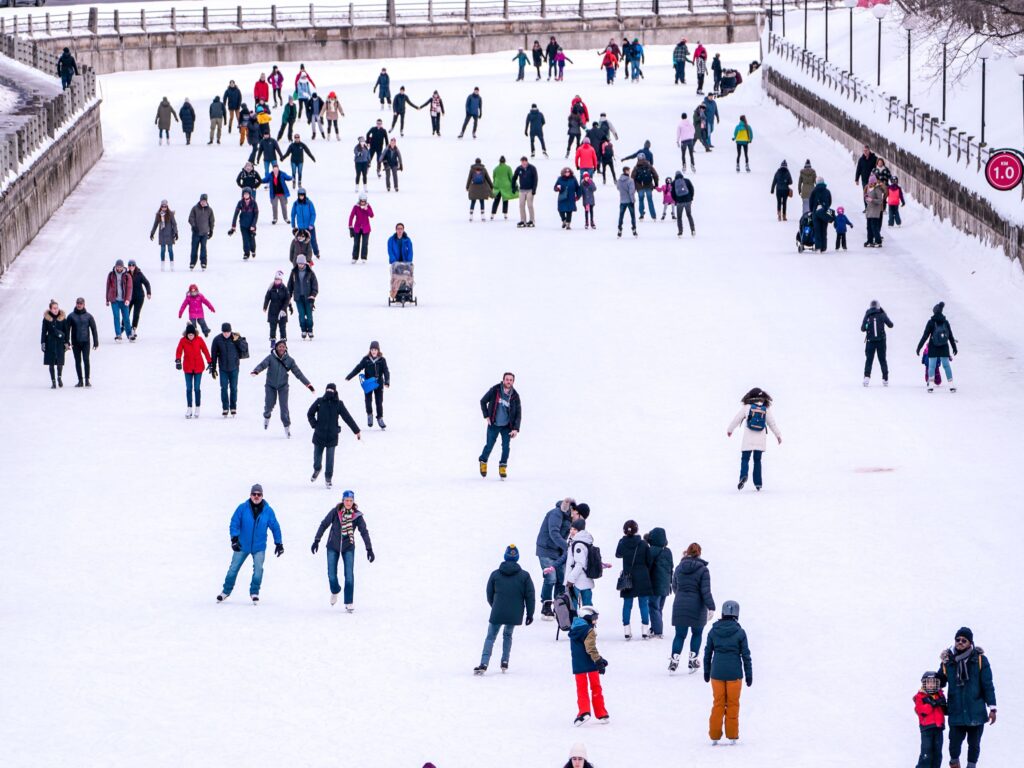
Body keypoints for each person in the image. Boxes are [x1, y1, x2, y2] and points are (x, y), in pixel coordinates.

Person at [937, 627, 997, 768]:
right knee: (954, 745)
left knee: (974, 745)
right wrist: (930, 683)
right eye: (958, 639)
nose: (960, 642)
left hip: (975, 711)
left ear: (970, 642)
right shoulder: (948, 661)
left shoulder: (980, 660)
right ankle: (954, 763)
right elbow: (940, 682)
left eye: (964, 640)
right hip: (956, 711)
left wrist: (992, 708)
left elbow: (987, 684)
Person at [474, 544, 536, 675]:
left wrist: (495, 605)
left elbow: (489, 594)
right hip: (514, 613)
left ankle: (484, 663)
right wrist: (530, 614)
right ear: (517, 558)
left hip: (498, 611)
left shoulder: (495, 574)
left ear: (505, 556)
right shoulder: (524, 576)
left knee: (490, 637)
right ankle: (505, 662)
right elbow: (530, 596)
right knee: (508, 635)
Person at [216, 484, 282, 605]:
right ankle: (225, 591)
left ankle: (254, 592)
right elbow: (234, 522)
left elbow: (275, 527)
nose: (256, 496)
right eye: (254, 494)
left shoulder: (268, 511)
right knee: (233, 568)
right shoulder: (242, 508)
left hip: (259, 547)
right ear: (250, 495)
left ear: (262, 496)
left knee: (258, 570)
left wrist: (279, 543)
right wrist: (234, 539)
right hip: (242, 545)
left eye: (259, 494)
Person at [310, 490, 374, 611]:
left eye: (350, 500)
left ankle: (349, 602)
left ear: (353, 501)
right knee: (331, 574)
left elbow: (364, 532)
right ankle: (335, 590)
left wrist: (369, 549)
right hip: (332, 546)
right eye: (346, 500)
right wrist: (316, 540)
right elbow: (324, 524)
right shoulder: (335, 512)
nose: (348, 503)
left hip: (348, 547)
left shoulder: (357, 516)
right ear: (343, 500)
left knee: (349, 575)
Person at [703, 600, 753, 744]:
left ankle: (714, 735)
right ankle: (732, 735)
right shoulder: (740, 632)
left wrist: (707, 671)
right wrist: (749, 675)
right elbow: (746, 655)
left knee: (718, 703)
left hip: (716, 674)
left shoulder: (713, 631)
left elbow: (708, 653)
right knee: (732, 704)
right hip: (734, 675)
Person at [252, 340, 314, 436]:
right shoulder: (271, 358)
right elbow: (263, 364)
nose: (281, 348)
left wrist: (308, 384)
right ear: (276, 348)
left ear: (285, 348)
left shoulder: (290, 360)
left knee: (284, 408)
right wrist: (256, 371)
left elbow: (298, 374)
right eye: (280, 347)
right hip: (270, 386)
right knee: (269, 406)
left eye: (283, 347)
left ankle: (287, 427)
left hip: (283, 387)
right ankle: (267, 417)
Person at [668, 542, 715, 671]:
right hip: (697, 606)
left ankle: (674, 661)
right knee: (697, 633)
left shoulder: (679, 568)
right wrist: (711, 607)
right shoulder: (703, 570)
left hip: (679, 605)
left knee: (679, 635)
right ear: (699, 553)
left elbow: (675, 587)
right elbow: (705, 591)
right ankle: (692, 661)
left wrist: (682, 597)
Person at [726, 387, 782, 491]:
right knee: (757, 460)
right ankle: (758, 484)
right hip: (760, 440)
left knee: (745, 459)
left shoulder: (747, 407)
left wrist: (730, 430)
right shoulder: (766, 408)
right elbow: (772, 424)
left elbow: (736, 419)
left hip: (748, 439)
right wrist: (778, 435)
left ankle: (743, 476)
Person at [306, 383, 361, 488]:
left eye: (332, 390)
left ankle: (328, 478)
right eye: (328, 390)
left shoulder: (339, 404)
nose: (330, 392)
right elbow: (310, 413)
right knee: (317, 459)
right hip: (319, 436)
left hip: (332, 436)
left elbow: (347, 418)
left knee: (330, 460)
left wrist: (356, 431)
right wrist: (315, 425)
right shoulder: (319, 402)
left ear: (335, 392)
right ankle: (317, 469)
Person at [569, 606, 609, 726]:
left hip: (578, 665)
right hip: (591, 664)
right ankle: (601, 713)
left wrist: (601, 659)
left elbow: (583, 648)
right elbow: (590, 648)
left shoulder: (574, 628)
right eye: (594, 618)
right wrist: (598, 661)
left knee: (581, 689)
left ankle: (584, 712)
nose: (595, 621)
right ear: (586, 618)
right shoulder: (588, 630)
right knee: (596, 687)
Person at [536, 498, 575, 616]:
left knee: (560, 579)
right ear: (570, 507)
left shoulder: (570, 518)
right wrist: (567, 547)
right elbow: (554, 533)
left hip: (558, 552)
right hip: (546, 550)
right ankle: (546, 605)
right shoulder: (556, 513)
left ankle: (559, 606)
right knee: (551, 578)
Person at [615, 520, 653, 640]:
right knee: (643, 605)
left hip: (628, 577)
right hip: (642, 577)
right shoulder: (643, 544)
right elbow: (649, 560)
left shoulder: (622, 543)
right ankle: (645, 631)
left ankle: (627, 631)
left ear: (624, 531)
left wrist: (622, 540)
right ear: (637, 530)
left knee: (627, 605)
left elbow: (618, 554)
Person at [478, 372, 520, 479]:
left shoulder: (515, 395)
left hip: (507, 426)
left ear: (513, 381)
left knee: (506, 447)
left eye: (511, 380)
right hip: (494, 424)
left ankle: (503, 466)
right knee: (489, 446)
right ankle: (483, 461)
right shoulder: (495, 390)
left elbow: (518, 414)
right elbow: (483, 401)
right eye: (507, 379)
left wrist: (515, 429)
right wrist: (486, 416)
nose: (509, 381)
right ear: (503, 380)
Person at [345, 340, 390, 429]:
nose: (373, 351)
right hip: (368, 384)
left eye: (375, 349)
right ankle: (369, 415)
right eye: (372, 349)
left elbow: (386, 371)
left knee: (379, 402)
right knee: (368, 401)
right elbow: (358, 368)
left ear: (378, 350)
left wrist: (387, 381)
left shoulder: (382, 360)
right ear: (370, 350)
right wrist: (349, 376)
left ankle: (380, 418)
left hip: (378, 384)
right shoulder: (366, 359)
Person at [916, 302, 958, 393]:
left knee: (932, 366)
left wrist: (919, 347)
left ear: (934, 312)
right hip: (944, 347)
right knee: (946, 365)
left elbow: (925, 336)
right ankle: (951, 385)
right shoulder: (945, 322)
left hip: (933, 347)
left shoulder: (931, 322)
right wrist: (954, 347)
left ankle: (930, 385)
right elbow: (950, 336)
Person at [175, 324, 211, 419]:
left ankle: (197, 407)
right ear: (186, 334)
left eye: (192, 335)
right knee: (189, 388)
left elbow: (205, 350)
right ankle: (189, 407)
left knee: (197, 388)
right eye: (189, 335)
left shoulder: (199, 340)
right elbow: (179, 350)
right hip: (188, 367)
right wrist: (178, 360)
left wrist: (210, 362)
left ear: (195, 334)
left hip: (198, 367)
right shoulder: (183, 341)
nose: (191, 336)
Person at [915, 672, 947, 768]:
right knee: (926, 753)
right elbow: (921, 711)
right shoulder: (920, 696)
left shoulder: (940, 695)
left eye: (933, 682)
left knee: (937, 753)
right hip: (927, 729)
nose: (931, 685)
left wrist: (943, 703)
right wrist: (933, 703)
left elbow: (945, 710)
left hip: (938, 728)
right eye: (929, 682)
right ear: (924, 683)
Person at [210, 322, 241, 417]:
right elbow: (214, 355)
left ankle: (233, 407)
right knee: (223, 388)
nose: (226, 334)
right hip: (223, 368)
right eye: (224, 332)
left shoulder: (235, 337)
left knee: (234, 388)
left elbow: (243, 350)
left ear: (231, 331)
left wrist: (238, 341)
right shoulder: (217, 339)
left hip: (234, 368)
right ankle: (225, 408)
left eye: (228, 332)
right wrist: (213, 368)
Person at [564, 517, 597, 608]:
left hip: (577, 581)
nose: (571, 531)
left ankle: (575, 621)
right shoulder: (585, 542)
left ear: (580, 531)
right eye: (571, 529)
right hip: (586, 579)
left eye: (574, 529)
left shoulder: (578, 544)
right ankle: (589, 621)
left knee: (573, 606)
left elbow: (580, 564)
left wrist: (570, 579)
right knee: (587, 605)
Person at [646, 528, 672, 640]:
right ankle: (655, 628)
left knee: (653, 607)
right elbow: (671, 566)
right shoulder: (668, 551)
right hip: (666, 585)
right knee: (659, 608)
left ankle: (657, 631)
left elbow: (648, 566)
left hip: (655, 584)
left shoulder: (652, 550)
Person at [66, 297, 98, 388]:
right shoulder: (71, 316)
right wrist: (67, 342)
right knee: (77, 361)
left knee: (86, 360)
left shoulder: (89, 316)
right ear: (76, 304)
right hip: (75, 342)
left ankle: (87, 380)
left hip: (86, 342)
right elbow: (67, 330)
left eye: (81, 304)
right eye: (78, 303)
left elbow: (94, 329)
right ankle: (80, 380)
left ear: (84, 304)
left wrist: (96, 341)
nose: (79, 305)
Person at [861, 299, 893, 387]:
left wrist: (867, 325)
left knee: (869, 360)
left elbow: (862, 328)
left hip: (870, 341)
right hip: (881, 341)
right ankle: (885, 378)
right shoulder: (882, 314)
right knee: (882, 359)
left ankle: (866, 378)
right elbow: (891, 325)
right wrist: (884, 314)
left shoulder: (868, 314)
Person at [287, 255, 319, 340]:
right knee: (301, 315)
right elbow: (290, 286)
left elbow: (315, 285)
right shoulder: (294, 272)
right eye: (299, 263)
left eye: (302, 263)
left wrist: (313, 295)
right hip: (298, 298)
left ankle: (310, 329)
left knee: (309, 315)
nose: (300, 265)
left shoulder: (310, 272)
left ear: (305, 263)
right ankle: (303, 330)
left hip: (308, 298)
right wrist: (288, 297)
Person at [41, 300, 69, 389]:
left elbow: (66, 331)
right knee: (51, 363)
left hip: (60, 342)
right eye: (54, 308)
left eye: (57, 308)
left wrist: (67, 342)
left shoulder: (63, 318)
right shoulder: (46, 319)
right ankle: (53, 381)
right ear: (50, 309)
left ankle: (59, 378)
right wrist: (43, 342)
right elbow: (43, 332)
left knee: (60, 362)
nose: (56, 310)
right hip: (50, 342)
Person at [104, 259, 133, 341]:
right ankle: (118, 334)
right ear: (115, 266)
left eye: (120, 267)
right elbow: (108, 287)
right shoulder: (111, 275)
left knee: (126, 318)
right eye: (117, 266)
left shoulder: (127, 275)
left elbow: (129, 288)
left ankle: (129, 334)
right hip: (114, 301)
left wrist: (127, 299)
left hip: (124, 301)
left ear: (123, 267)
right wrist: (107, 299)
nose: (119, 268)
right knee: (116, 317)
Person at [228, 187, 259, 261]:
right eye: (244, 194)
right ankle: (246, 253)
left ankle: (253, 250)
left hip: (251, 224)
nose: (245, 195)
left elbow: (256, 214)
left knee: (251, 239)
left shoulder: (254, 203)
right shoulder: (240, 203)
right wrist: (233, 226)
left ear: (250, 194)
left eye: (247, 194)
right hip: (243, 224)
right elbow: (235, 214)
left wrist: (253, 225)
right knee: (245, 239)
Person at [289, 187, 319, 258]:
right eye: (300, 195)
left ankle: (316, 252)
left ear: (305, 195)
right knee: (301, 242)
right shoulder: (296, 204)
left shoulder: (309, 203)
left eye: (302, 195)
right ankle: (303, 254)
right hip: (301, 227)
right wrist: (293, 224)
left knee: (313, 240)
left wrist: (311, 224)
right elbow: (293, 214)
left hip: (309, 227)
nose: (301, 196)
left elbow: (313, 214)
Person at [187, 193, 215, 271]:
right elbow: (190, 218)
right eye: (202, 201)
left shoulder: (209, 210)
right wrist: (194, 226)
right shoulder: (195, 208)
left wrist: (211, 230)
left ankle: (203, 263)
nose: (203, 202)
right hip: (196, 233)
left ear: (206, 201)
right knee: (194, 248)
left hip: (204, 233)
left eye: (204, 201)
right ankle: (192, 263)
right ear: (200, 200)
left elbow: (212, 221)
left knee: (203, 248)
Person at [264, 271, 292, 346]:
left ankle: (283, 341)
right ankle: (273, 341)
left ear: (281, 280)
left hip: (282, 311)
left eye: (278, 279)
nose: (277, 280)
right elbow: (267, 298)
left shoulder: (284, 289)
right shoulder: (271, 288)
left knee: (282, 327)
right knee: (272, 327)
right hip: (272, 311)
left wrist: (285, 308)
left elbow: (287, 299)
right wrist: (265, 306)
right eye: (276, 279)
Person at [125, 260, 151, 341]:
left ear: (135, 266)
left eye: (133, 265)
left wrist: (148, 293)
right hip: (129, 297)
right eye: (130, 265)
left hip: (139, 297)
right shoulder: (126, 274)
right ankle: (124, 326)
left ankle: (133, 329)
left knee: (136, 313)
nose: (131, 266)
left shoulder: (139, 274)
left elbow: (147, 283)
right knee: (127, 312)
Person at [150, 200, 178, 269]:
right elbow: (155, 224)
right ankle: (162, 264)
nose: (164, 207)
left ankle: (172, 264)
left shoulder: (170, 214)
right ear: (161, 207)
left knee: (170, 250)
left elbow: (174, 224)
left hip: (169, 235)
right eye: (163, 206)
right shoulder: (158, 214)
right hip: (162, 235)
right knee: (162, 250)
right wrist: (152, 233)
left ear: (167, 206)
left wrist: (176, 232)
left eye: (165, 206)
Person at [512, 156, 538, 228]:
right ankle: (523, 220)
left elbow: (535, 179)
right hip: (522, 190)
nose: (523, 163)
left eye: (524, 162)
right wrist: (513, 187)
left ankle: (531, 220)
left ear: (527, 161)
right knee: (521, 205)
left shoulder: (532, 168)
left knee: (530, 205)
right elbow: (514, 178)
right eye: (522, 162)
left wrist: (534, 189)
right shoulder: (519, 168)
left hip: (530, 190)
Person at [490, 155, 517, 220]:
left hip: (498, 186)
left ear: (499, 161)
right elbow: (511, 177)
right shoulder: (508, 168)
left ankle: (492, 214)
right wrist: (515, 185)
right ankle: (505, 214)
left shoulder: (496, 168)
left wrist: (494, 184)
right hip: (506, 186)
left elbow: (494, 177)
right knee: (505, 200)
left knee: (496, 201)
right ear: (505, 161)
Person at [348, 193, 374, 262]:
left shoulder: (368, 206)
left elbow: (372, 215)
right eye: (361, 201)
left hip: (366, 229)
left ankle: (364, 257)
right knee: (356, 243)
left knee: (365, 243)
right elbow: (351, 216)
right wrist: (350, 227)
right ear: (359, 200)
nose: (363, 202)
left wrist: (367, 209)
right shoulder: (356, 207)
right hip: (357, 228)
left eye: (364, 201)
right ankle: (354, 257)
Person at [670, 171, 695, 237]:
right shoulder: (687, 180)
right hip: (688, 201)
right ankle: (693, 230)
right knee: (689, 215)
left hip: (679, 202)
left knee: (679, 217)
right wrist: (691, 198)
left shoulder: (673, 183)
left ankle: (680, 232)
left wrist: (676, 200)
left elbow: (672, 194)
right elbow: (692, 189)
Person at [864, 175, 885, 247]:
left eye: (872, 183)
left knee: (874, 227)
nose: (870, 184)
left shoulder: (877, 189)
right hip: (869, 211)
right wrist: (866, 198)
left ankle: (878, 241)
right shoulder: (868, 189)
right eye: (869, 183)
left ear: (875, 183)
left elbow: (880, 201)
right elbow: (867, 200)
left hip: (875, 211)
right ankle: (869, 240)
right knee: (868, 227)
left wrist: (872, 200)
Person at [616, 166, 638, 238]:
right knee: (632, 216)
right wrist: (632, 200)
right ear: (626, 171)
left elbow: (618, 188)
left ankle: (619, 229)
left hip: (622, 200)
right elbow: (631, 192)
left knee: (621, 216)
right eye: (629, 170)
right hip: (629, 201)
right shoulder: (630, 180)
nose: (630, 171)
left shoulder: (619, 180)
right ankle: (634, 229)